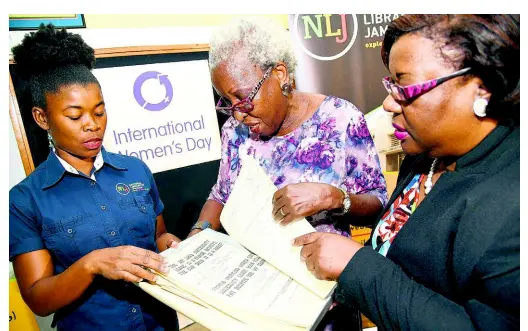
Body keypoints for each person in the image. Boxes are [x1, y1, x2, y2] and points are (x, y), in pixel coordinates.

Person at [294, 14, 520, 330]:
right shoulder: (424, 153)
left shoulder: (514, 204)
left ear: (482, 88)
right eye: (391, 84)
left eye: (405, 85)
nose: (388, 104)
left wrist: (356, 266)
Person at [187, 17, 388, 330]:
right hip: (260, 304)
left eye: (242, 98)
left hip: (328, 303)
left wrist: (333, 198)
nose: (238, 114)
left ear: (279, 74)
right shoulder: (235, 132)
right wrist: (196, 240)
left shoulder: (340, 119)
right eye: (226, 103)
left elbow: (377, 204)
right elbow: (221, 194)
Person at [9, 24, 182, 330]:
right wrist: (91, 265)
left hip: (161, 322)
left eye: (99, 112)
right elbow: (38, 297)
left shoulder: (135, 170)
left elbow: (158, 237)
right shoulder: (25, 200)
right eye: (75, 116)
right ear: (42, 118)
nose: (92, 125)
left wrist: (169, 243)